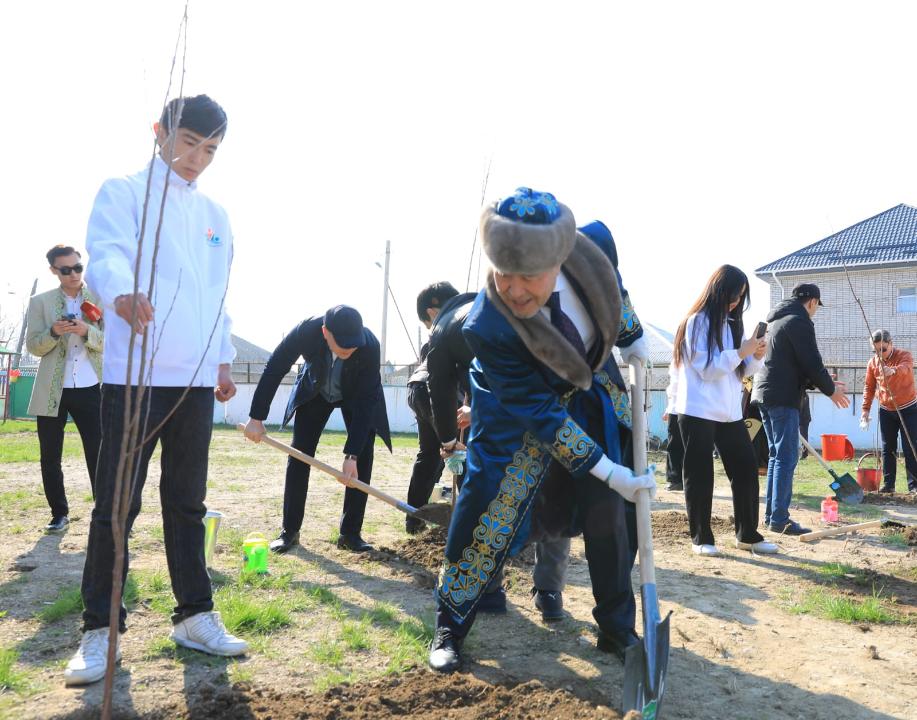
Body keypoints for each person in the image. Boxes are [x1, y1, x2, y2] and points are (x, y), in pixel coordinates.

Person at [428, 188, 656, 673]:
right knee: (485, 508)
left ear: (560, 257)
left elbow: (611, 285)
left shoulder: (593, 244)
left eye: (527, 276)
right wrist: (606, 469)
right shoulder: (486, 326)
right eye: (501, 274)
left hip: (590, 391)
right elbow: (541, 416)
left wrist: (632, 337)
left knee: (608, 513)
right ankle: (450, 622)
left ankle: (616, 630)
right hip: (515, 411)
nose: (512, 289)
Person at [65, 95, 247, 687]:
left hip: (193, 381)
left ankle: (194, 614)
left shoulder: (217, 214)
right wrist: (120, 293)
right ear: (160, 132)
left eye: (211, 149)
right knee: (117, 506)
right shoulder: (124, 192)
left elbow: (218, 296)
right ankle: (100, 629)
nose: (198, 159)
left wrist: (221, 362)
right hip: (134, 375)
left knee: (188, 503)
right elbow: (107, 257)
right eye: (190, 143)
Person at [243, 305, 392, 554]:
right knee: (299, 455)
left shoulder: (369, 344)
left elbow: (367, 401)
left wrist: (351, 455)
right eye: (342, 344)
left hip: (356, 398)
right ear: (325, 332)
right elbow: (275, 367)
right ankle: (289, 531)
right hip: (315, 392)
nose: (349, 349)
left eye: (353, 344)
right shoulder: (306, 331)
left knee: (363, 457)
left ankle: (350, 533)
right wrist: (256, 417)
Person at [669, 265, 776, 557]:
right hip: (697, 409)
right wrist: (743, 351)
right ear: (718, 291)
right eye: (733, 295)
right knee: (700, 474)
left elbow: (738, 371)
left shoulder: (733, 323)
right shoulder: (696, 322)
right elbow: (706, 368)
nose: (736, 302)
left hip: (729, 411)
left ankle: (748, 535)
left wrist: (755, 355)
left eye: (741, 297)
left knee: (745, 469)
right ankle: (701, 538)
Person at [752, 283, 849, 535]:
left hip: (764, 392)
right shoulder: (799, 320)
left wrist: (825, 383)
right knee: (786, 457)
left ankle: (772, 516)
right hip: (782, 397)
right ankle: (780, 519)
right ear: (813, 301)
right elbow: (811, 362)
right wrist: (830, 389)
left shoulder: (776, 321)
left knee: (776, 456)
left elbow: (791, 364)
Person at [26, 245, 104, 533]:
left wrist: (87, 332)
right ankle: (58, 513)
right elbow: (33, 346)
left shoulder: (100, 299)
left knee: (99, 452)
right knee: (50, 454)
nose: (73, 274)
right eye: (66, 269)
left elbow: (114, 342)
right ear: (53, 271)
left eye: (78, 267)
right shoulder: (40, 302)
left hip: (90, 386)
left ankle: (105, 513)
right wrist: (53, 332)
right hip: (51, 389)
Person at [404, 282, 461, 535]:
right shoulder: (455, 330)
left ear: (431, 312)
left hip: (416, 389)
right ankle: (472, 526)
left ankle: (414, 520)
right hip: (434, 393)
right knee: (460, 454)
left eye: (427, 323)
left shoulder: (444, 328)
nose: (429, 329)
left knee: (429, 456)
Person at [860, 330, 917, 493]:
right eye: (876, 351)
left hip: (909, 409)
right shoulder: (872, 363)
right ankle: (889, 485)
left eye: (883, 349)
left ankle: (914, 486)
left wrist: (893, 370)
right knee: (888, 448)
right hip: (886, 410)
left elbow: (906, 368)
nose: (880, 354)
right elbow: (869, 387)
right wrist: (865, 410)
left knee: (910, 447)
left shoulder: (904, 355)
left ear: (891, 344)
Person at [662, 362, 684, 491]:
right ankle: (677, 480)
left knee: (676, 446)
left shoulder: (680, 360)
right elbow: (673, 388)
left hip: (681, 409)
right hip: (677, 409)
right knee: (676, 445)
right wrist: (668, 409)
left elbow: (674, 387)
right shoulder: (677, 361)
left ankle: (677, 480)